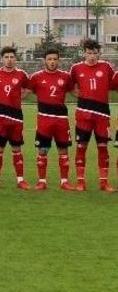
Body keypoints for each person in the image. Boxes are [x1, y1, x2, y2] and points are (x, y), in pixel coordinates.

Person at [69, 39, 116, 191]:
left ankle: (104, 182)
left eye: (95, 53)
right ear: (84, 53)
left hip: (102, 115)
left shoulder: (107, 67)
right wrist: (82, 97)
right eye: (89, 53)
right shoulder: (76, 68)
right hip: (83, 115)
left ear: (99, 53)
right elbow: (71, 87)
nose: (92, 56)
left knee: (103, 147)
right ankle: (81, 182)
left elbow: (113, 85)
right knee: (81, 147)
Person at [28, 49, 74, 191]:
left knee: (63, 150)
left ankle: (64, 182)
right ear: (44, 60)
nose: (52, 62)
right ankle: (42, 181)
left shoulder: (66, 77)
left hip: (61, 119)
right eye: (49, 59)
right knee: (42, 150)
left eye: (55, 59)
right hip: (44, 119)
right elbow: (30, 91)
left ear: (58, 60)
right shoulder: (36, 77)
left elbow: (73, 91)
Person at [0, 46, 30, 190]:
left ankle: (20, 180)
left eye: (12, 57)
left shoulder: (22, 74)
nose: (9, 60)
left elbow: (29, 89)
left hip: (16, 117)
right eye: (6, 57)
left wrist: (18, 97)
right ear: (2, 59)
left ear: (15, 58)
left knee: (17, 148)